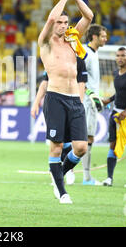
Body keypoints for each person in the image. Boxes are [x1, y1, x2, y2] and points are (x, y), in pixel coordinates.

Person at [37, 0, 93, 204]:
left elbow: (89, 16)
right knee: (57, 147)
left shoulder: (73, 40)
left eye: (65, 22)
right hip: (56, 98)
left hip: (75, 100)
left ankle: (57, 172)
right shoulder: (45, 42)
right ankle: (61, 191)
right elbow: (50, 17)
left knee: (80, 147)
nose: (62, 25)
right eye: (59, 22)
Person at [31, 56, 88, 185]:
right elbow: (45, 82)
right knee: (59, 143)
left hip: (73, 105)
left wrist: (79, 104)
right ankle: (61, 173)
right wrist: (36, 102)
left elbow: (81, 84)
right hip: (56, 105)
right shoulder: (54, 59)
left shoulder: (79, 62)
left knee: (77, 145)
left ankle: (64, 171)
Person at [101, 47, 126, 187]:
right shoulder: (115, 74)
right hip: (116, 115)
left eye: (123, 55)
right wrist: (109, 100)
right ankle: (109, 178)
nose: (120, 58)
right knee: (112, 145)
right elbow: (119, 93)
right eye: (118, 55)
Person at [82, 24, 108, 185]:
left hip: (91, 100)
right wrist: (91, 95)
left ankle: (84, 176)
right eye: (103, 36)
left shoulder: (94, 53)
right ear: (94, 37)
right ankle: (84, 177)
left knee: (86, 137)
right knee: (84, 137)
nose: (105, 39)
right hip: (86, 101)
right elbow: (79, 76)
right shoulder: (86, 53)